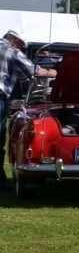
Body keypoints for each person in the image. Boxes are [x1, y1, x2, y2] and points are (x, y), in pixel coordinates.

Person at [1, 28, 39, 164]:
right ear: (15, 42)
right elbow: (35, 71)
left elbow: (21, 75)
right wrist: (54, 71)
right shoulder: (12, 52)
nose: (21, 49)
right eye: (21, 46)